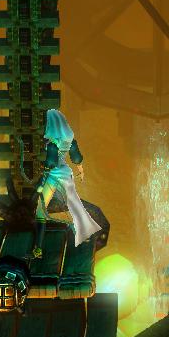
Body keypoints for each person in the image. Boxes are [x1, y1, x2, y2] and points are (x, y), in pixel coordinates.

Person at [35, 108, 102, 251]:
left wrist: (42, 179)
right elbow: (76, 157)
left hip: (53, 177)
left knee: (41, 210)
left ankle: (38, 248)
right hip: (66, 174)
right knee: (75, 205)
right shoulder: (70, 140)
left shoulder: (52, 143)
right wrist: (81, 170)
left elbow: (51, 163)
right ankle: (86, 235)